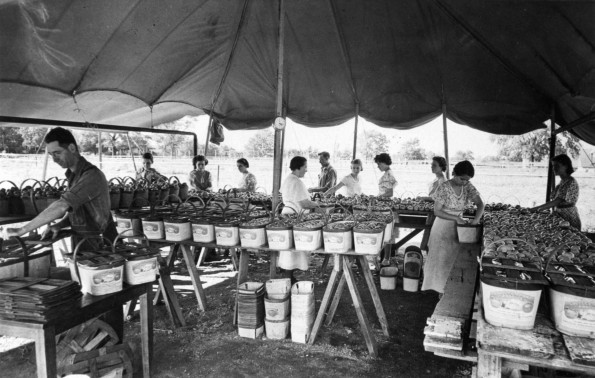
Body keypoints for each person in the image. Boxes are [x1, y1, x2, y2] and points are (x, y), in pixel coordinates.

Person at [5, 127, 118, 247]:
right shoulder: (74, 176)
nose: (54, 159)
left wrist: (22, 230)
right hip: (84, 243)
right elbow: (78, 212)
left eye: (57, 153)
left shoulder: (92, 176)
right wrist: (59, 225)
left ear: (72, 148)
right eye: (51, 155)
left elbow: (62, 205)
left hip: (102, 245)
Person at [421, 160, 485, 294]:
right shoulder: (444, 187)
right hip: (442, 226)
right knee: (440, 258)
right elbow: (437, 211)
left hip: (459, 228)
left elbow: (480, 205)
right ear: (454, 174)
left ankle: (449, 291)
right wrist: (456, 218)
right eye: (462, 179)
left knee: (453, 259)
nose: (464, 182)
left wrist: (474, 223)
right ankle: (438, 291)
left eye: (467, 180)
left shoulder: (468, 186)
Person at [279, 156, 320, 281]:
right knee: (292, 249)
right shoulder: (296, 181)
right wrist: (316, 203)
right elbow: (304, 204)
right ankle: (287, 276)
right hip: (293, 214)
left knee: (288, 247)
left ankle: (288, 275)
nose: (306, 170)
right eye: (305, 167)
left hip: (287, 212)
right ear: (298, 167)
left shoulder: (288, 179)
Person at [532, 154, 581, 230]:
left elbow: (556, 201)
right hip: (561, 216)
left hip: (569, 218)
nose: (554, 168)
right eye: (553, 166)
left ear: (566, 166)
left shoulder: (570, 182)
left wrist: (535, 209)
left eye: (557, 166)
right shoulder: (563, 181)